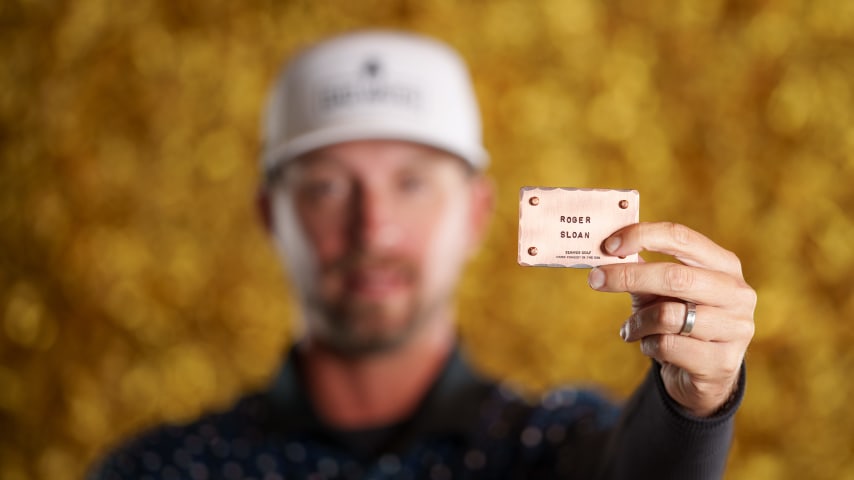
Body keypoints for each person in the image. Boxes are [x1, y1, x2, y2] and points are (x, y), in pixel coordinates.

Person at [90, 30, 756, 479]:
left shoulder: (558, 443)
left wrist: (695, 402)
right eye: (326, 186)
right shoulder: (163, 467)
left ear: (476, 214)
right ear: (271, 215)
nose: (373, 229)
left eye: (411, 183)